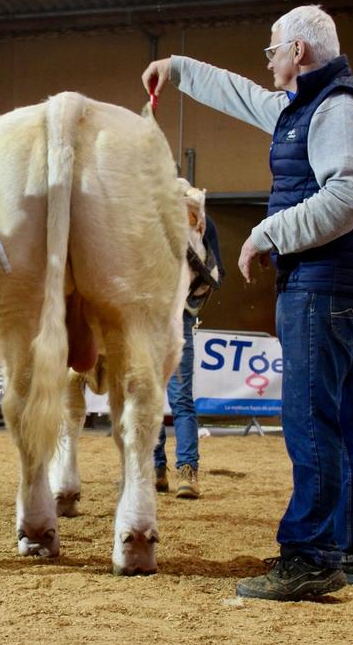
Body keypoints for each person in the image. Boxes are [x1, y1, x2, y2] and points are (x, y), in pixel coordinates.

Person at [143, 4, 353, 601]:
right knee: (345, 417)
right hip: (337, 283)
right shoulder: (308, 106)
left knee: (311, 421)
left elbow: (345, 200)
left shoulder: (337, 110)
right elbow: (240, 95)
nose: (270, 60)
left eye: (273, 50)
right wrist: (175, 67)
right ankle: (352, 551)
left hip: (323, 283)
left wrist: (265, 234)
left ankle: (310, 556)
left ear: (299, 52)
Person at [154, 201, 224, 499]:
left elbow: (215, 271)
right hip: (160, 315)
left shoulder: (199, 221)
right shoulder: (198, 220)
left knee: (165, 398)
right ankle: (165, 470)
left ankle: (179, 470)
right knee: (160, 397)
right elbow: (216, 273)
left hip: (168, 316)